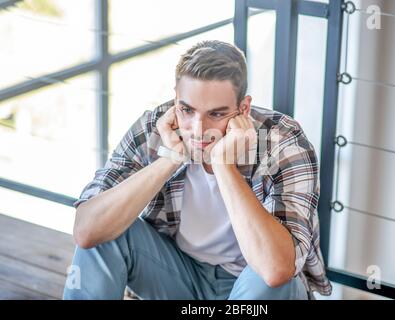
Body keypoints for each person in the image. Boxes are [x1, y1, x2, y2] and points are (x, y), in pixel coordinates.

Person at [63, 40, 331, 300]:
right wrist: (171, 158)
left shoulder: (283, 141)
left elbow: (275, 270)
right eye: (187, 109)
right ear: (176, 100)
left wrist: (223, 165)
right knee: (105, 234)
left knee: (274, 278)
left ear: (243, 108)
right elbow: (86, 232)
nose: (198, 129)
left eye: (216, 114)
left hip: (251, 286)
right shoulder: (154, 128)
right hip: (177, 275)